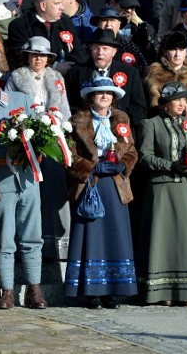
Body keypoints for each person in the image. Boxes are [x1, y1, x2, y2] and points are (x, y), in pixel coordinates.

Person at [0, 67, 48, 309]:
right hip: (0, 181)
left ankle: (35, 290)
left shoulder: (20, 100)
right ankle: (8, 291)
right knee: (4, 239)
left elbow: (38, 132)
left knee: (32, 236)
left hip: (27, 178)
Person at [65, 77, 138, 308]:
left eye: (108, 93)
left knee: (115, 237)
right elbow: (67, 154)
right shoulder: (77, 122)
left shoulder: (121, 121)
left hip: (116, 186)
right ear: (91, 97)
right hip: (90, 185)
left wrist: (124, 164)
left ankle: (111, 291)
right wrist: (90, 167)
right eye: (99, 93)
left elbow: (132, 150)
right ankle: (91, 291)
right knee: (92, 237)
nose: (104, 97)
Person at [137, 81, 187, 306]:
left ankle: (186, 291)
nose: (181, 103)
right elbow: (145, 156)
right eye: (176, 99)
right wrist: (170, 165)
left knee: (186, 239)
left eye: (184, 99)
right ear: (165, 104)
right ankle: (162, 291)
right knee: (165, 239)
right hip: (164, 189)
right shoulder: (150, 124)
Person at [5, 36, 72, 260]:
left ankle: (57, 248)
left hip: (52, 140)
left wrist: (56, 125)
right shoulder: (16, 77)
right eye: (34, 55)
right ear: (27, 57)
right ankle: (27, 245)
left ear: (49, 59)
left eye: (42, 56)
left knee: (54, 192)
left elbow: (65, 109)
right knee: (30, 195)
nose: (38, 59)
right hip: (25, 141)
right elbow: (9, 108)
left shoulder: (56, 78)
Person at [65, 28, 148, 127]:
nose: (100, 53)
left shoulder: (130, 73)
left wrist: (117, 122)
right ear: (91, 49)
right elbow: (68, 104)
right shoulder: (76, 72)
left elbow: (139, 108)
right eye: (96, 48)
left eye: (105, 48)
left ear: (114, 52)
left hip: (119, 130)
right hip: (85, 129)